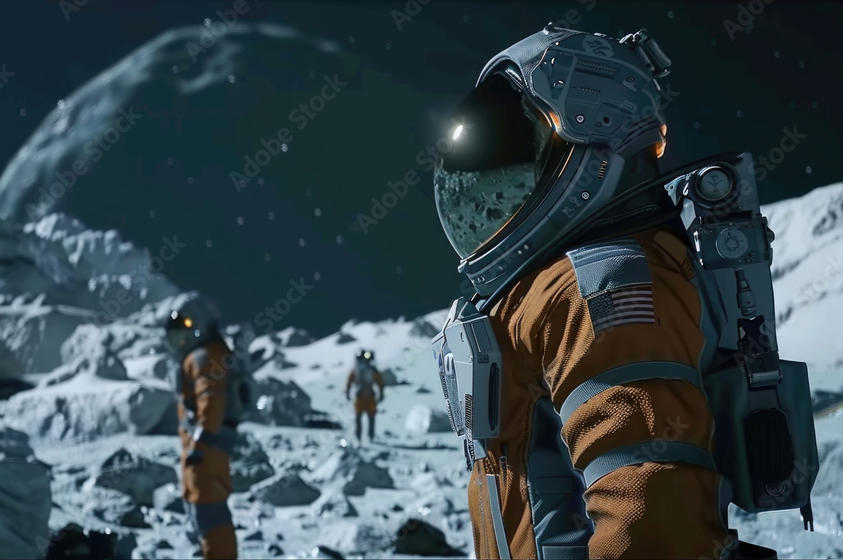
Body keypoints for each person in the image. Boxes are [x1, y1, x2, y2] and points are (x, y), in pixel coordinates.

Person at [430, 24, 814, 560]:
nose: (492, 186)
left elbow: (648, 509)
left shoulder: (600, 283)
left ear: (597, 128)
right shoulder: (554, 285)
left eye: (522, 149)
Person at [164, 291, 249, 560]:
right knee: (201, 511)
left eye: (185, 328)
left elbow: (210, 401)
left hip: (206, 451)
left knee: (210, 512)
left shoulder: (205, 356)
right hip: (202, 449)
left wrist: (201, 443)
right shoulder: (204, 355)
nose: (179, 339)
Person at [345, 349, 385, 443]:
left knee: (367, 418)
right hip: (361, 397)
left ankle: (368, 437)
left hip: (368, 397)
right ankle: (360, 437)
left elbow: (379, 382)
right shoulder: (358, 370)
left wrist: (381, 392)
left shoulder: (364, 370)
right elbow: (349, 382)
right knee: (360, 418)